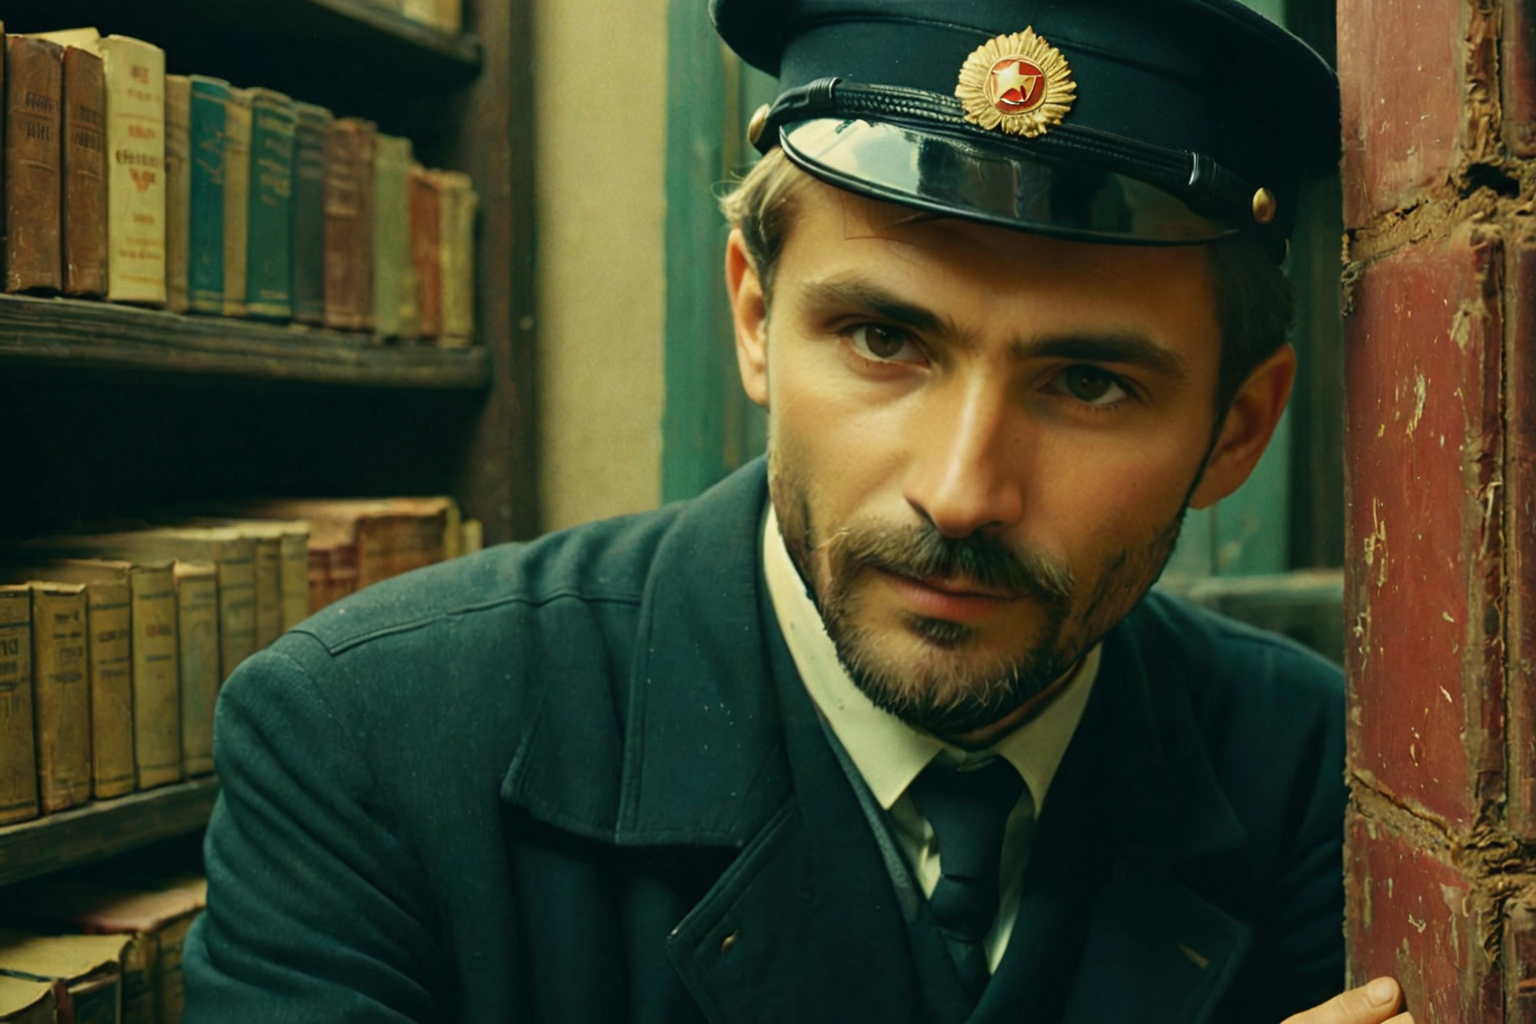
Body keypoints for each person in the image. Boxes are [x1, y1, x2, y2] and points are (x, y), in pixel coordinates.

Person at [182, 2, 1412, 1022]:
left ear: (1236, 429)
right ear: (756, 318)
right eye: (883, 339)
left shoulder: (1320, 773)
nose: (961, 492)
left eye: (1088, 383)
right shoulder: (369, 739)